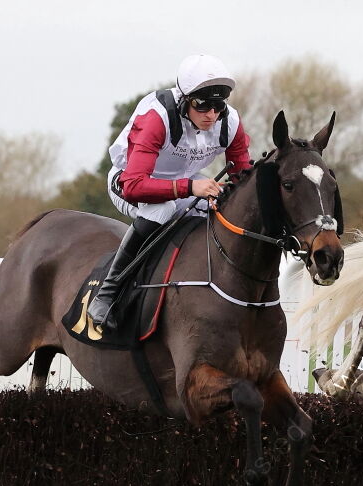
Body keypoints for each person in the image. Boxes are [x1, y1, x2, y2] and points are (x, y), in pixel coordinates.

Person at [88, 53, 253, 329]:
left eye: (218, 106)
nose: (211, 115)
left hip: (187, 183)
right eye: (202, 106)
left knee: (224, 206)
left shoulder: (230, 123)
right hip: (131, 181)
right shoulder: (158, 117)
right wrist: (191, 187)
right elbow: (134, 186)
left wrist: (228, 194)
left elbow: (243, 179)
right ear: (185, 100)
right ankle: (107, 294)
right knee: (162, 208)